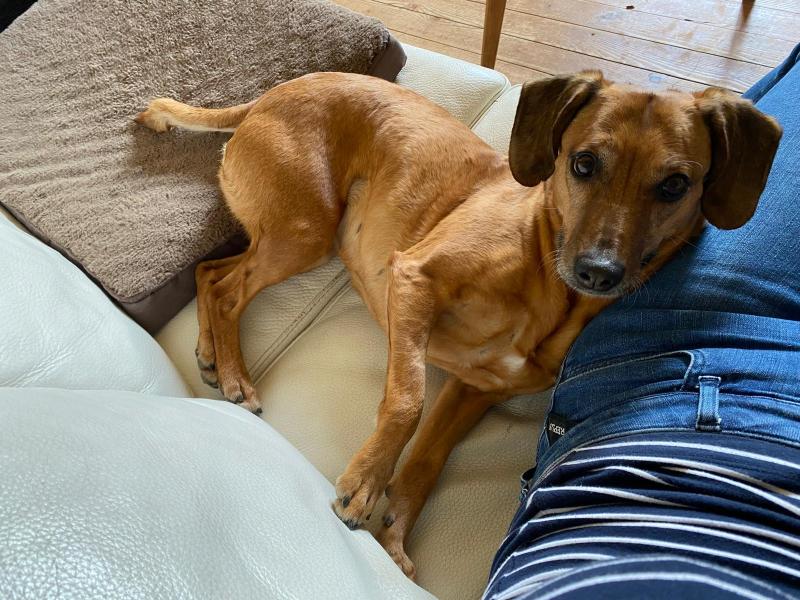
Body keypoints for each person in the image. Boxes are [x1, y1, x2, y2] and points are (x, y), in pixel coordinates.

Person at [483, 45, 800, 600]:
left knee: (742, 127)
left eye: (668, 186)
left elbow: (732, 204)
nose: (603, 259)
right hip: (774, 376)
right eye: (587, 168)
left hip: (651, 357)